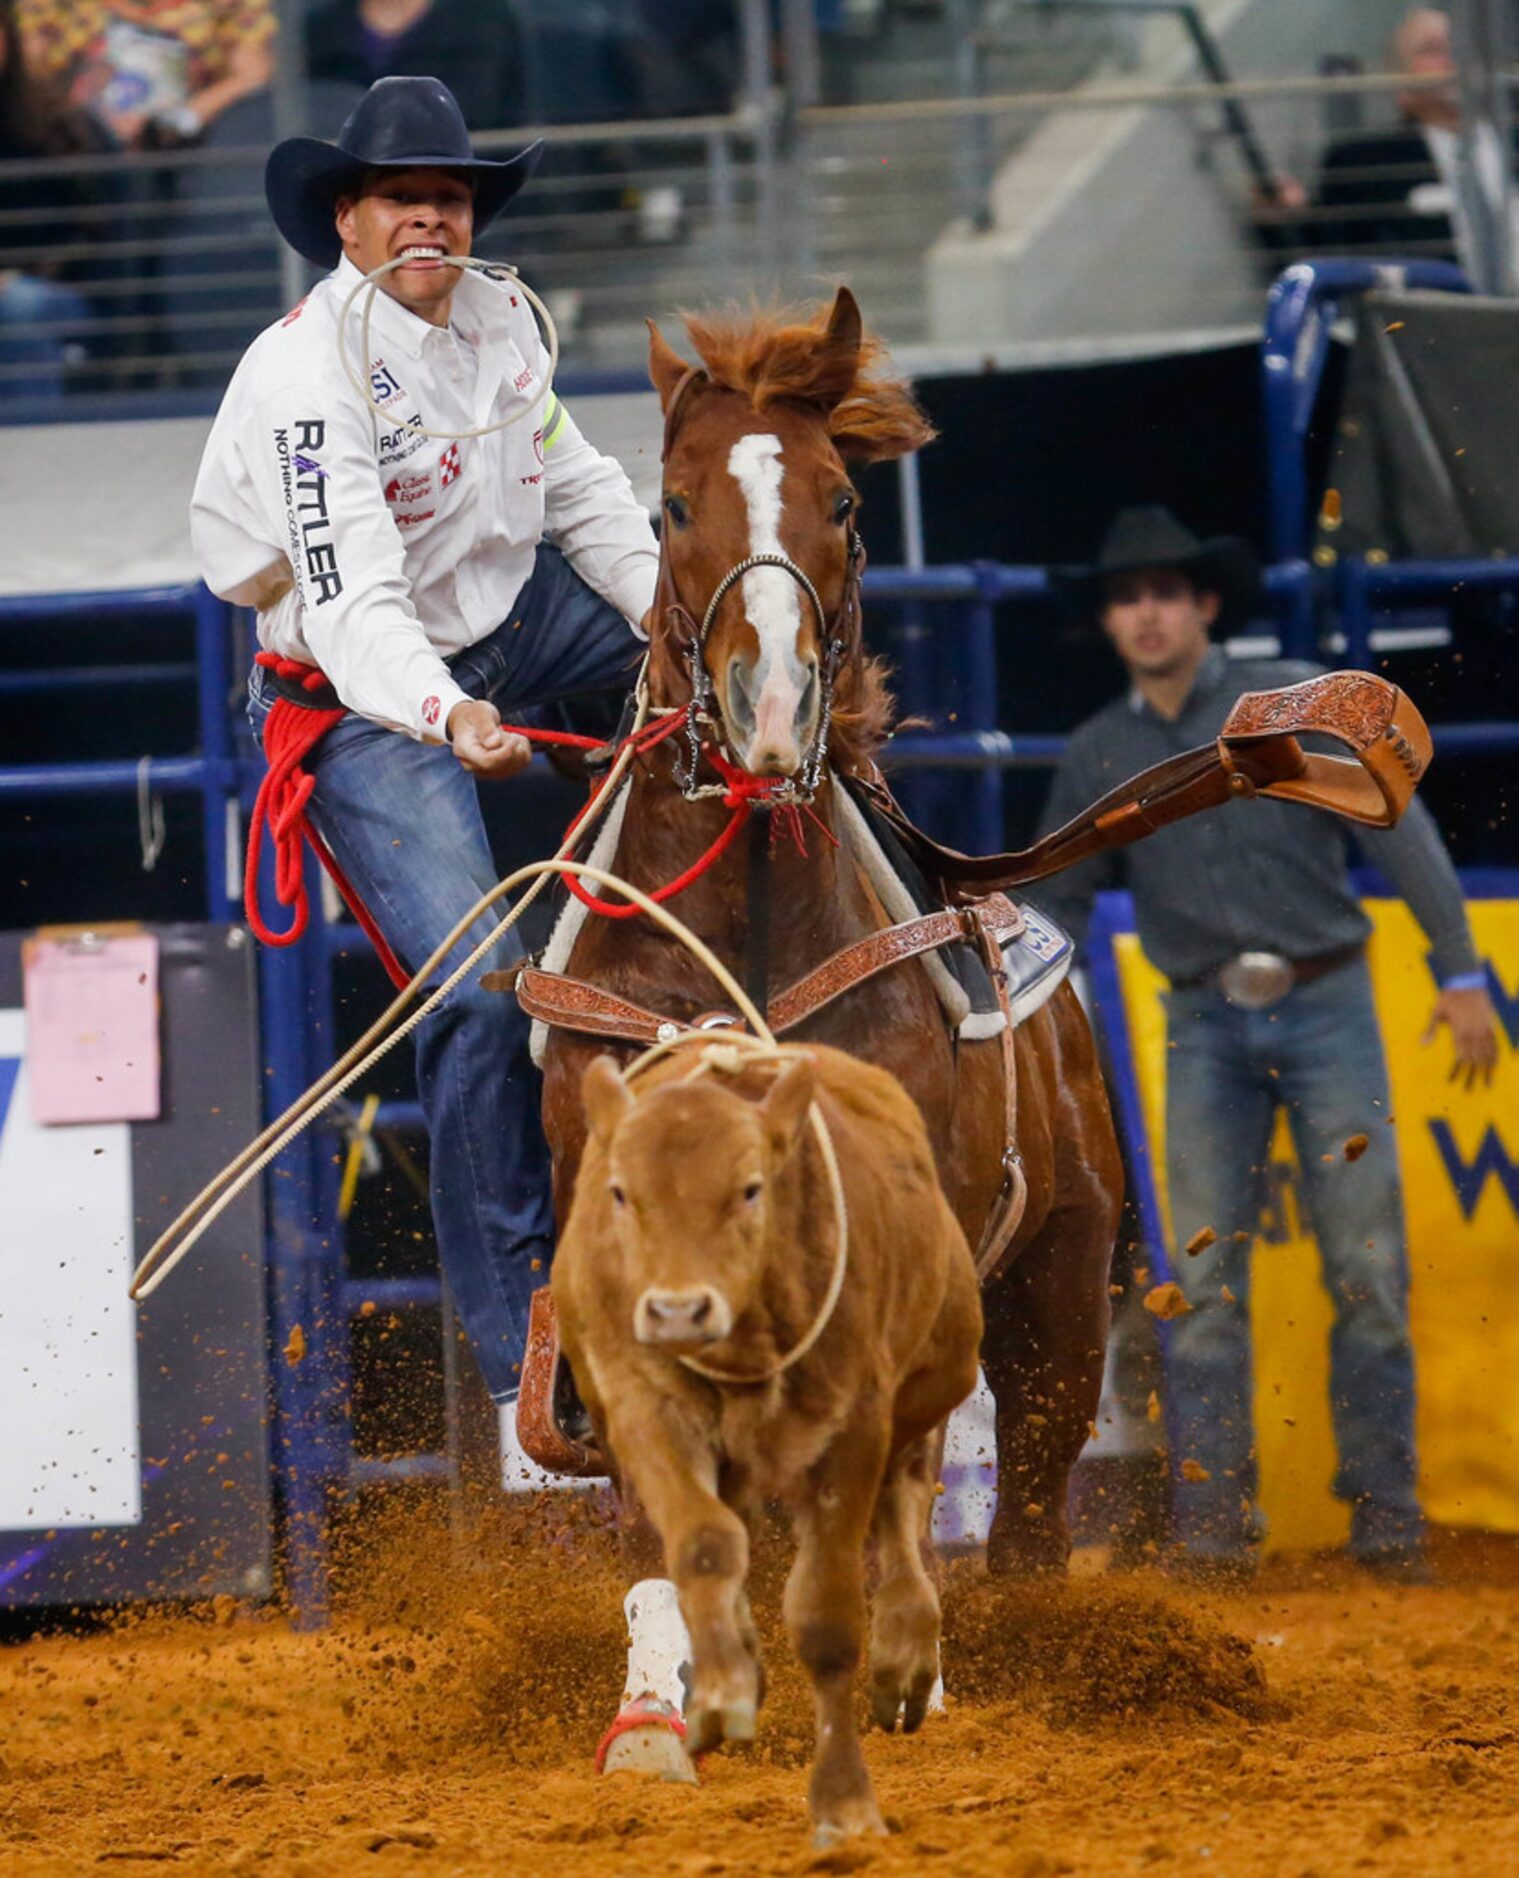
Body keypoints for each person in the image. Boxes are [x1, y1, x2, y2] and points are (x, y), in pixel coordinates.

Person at [190, 74, 659, 1479]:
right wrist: (446, 711)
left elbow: (575, 487)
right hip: (359, 696)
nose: (429, 219)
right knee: (473, 988)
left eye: (448, 198)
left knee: (725, 696)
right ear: (348, 218)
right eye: (404, 198)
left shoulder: (506, 317)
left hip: (503, 618)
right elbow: (344, 601)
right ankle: (512, 1317)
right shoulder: (303, 376)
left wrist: (667, 623)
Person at [1033, 505, 1499, 1581]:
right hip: (1203, 1018)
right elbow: (1058, 908)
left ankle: (1384, 1523)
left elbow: (1396, 815)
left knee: (1368, 1277)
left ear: (1202, 605)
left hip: (1317, 1006)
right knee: (1200, 1293)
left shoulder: (1281, 713)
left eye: (1162, 592)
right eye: (1125, 596)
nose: (1144, 613)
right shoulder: (1102, 751)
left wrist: (1458, 966)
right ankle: (1217, 1534)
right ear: (1110, 621)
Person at [1314, 8, 1519, 284]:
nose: (1454, 58)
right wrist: (1280, 217)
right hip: (1443, 320)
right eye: (1432, 50)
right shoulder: (1363, 165)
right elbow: (1328, 258)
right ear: (1401, 87)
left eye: (1461, 44)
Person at [0, 0, 110, 399]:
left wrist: (19, 276)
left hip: (46, 285)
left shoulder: (52, 122)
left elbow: (89, 228)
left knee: (24, 312)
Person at [18, 0, 274, 148]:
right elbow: (25, 73)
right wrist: (84, 126)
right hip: (78, 159)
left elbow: (254, 74)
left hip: (190, 161)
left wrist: (181, 117)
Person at [304, 0, 528, 135]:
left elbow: (480, 110)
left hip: (461, 180)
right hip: (346, 188)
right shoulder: (318, 32)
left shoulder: (483, 19)